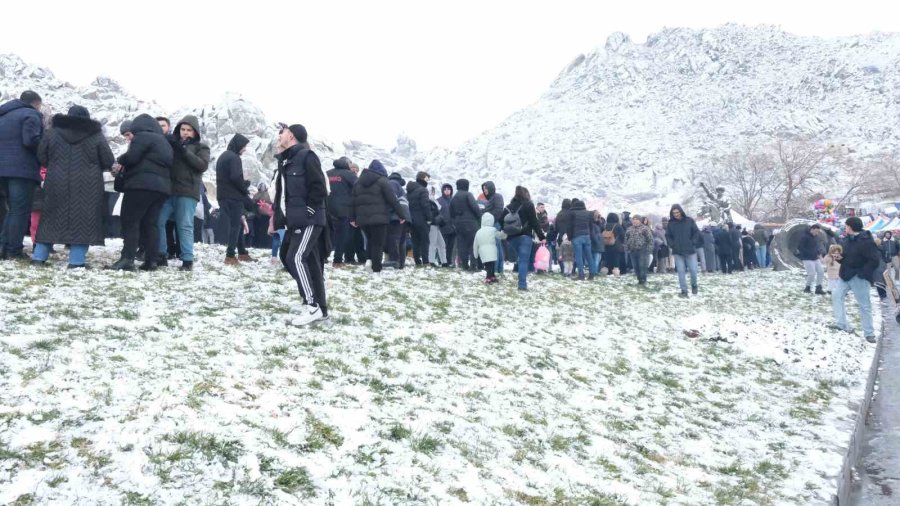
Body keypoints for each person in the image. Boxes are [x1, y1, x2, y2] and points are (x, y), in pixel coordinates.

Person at [29, 106, 114, 268]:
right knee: (84, 221)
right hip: (88, 185)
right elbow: (108, 160)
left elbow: (41, 155)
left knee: (49, 219)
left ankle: (39, 257)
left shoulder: (52, 133)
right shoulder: (96, 135)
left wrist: (55, 164)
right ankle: (76, 262)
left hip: (56, 181)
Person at [272, 123, 329, 325]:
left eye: (284, 132)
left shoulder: (306, 156)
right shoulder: (287, 161)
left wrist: (310, 210)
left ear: (293, 136)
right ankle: (312, 302)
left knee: (296, 257)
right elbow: (283, 195)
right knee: (291, 257)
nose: (280, 136)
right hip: (295, 221)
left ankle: (313, 307)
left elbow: (319, 187)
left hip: (309, 220)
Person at [108, 114, 173, 271]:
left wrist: (120, 160)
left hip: (140, 186)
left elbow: (132, 158)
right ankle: (151, 261)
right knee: (151, 224)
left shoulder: (142, 136)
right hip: (161, 189)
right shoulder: (164, 142)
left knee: (130, 221)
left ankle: (127, 259)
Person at [156, 115, 209, 271]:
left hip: (187, 191)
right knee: (159, 221)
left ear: (195, 132)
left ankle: (187, 260)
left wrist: (184, 151)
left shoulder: (201, 147)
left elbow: (202, 165)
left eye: (189, 130)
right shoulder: (172, 143)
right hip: (169, 190)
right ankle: (161, 255)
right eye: (182, 129)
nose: (185, 133)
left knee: (184, 225)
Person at [0, 90, 44, 260]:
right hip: (22, 170)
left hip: (2, 169)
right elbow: (30, 140)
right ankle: (14, 250)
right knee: (20, 210)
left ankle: (3, 246)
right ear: (36, 103)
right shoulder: (31, 114)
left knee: (10, 210)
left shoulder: (3, 115)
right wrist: (43, 152)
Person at [351, 159, 406, 274]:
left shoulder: (358, 182)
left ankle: (369, 262)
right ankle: (376, 269)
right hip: (379, 219)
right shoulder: (383, 181)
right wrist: (401, 215)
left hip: (363, 219)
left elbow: (353, 202)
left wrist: (352, 218)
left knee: (370, 241)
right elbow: (393, 200)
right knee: (378, 243)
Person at [831, 217, 880, 343]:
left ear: (851, 227)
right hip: (845, 275)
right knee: (836, 296)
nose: (845, 228)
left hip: (859, 277)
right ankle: (841, 324)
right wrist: (838, 258)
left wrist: (862, 273)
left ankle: (869, 333)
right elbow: (845, 258)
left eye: (846, 226)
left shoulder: (867, 241)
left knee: (864, 305)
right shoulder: (846, 240)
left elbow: (874, 261)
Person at [216, 133, 253, 265]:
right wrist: (244, 187)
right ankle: (230, 255)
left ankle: (242, 252)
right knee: (236, 225)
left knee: (236, 224)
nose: (244, 149)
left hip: (222, 196)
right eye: (243, 146)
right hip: (234, 197)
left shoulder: (223, 156)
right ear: (238, 145)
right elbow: (235, 177)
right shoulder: (235, 158)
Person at [500, 186, 546, 290]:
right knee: (523, 261)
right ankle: (522, 285)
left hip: (511, 239)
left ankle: (519, 276)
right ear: (526, 194)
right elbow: (534, 222)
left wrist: (507, 231)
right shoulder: (529, 205)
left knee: (518, 260)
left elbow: (500, 221)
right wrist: (541, 236)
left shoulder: (508, 207)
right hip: (525, 237)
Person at [326, 156, 357, 267]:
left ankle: (323, 257)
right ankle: (337, 260)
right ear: (347, 164)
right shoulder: (349, 175)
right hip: (343, 209)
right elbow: (358, 189)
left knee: (327, 235)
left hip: (327, 208)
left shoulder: (327, 173)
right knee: (341, 236)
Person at [665, 204, 701, 297]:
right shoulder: (671, 223)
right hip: (677, 251)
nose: (676, 214)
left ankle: (694, 285)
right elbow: (668, 235)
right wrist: (672, 244)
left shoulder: (689, 221)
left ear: (681, 211)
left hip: (690, 250)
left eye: (677, 212)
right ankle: (684, 291)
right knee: (681, 271)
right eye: (674, 213)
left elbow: (696, 232)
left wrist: (693, 242)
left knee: (693, 270)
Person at [450, 179, 481, 271]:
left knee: (462, 244)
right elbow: (475, 208)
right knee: (473, 244)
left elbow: (451, 212)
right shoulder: (468, 195)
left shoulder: (454, 197)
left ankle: (464, 264)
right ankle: (473, 265)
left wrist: (455, 222)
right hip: (471, 223)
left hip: (458, 224)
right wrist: (479, 217)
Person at [407, 171, 434, 266]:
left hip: (411, 219)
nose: (428, 180)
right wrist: (429, 218)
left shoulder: (410, 189)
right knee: (425, 241)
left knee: (415, 241)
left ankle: (417, 261)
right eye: (427, 178)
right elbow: (425, 205)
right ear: (423, 178)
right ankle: (426, 262)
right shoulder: (423, 190)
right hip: (422, 219)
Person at [567, 198, 596, 280]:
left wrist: (570, 237)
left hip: (577, 236)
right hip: (587, 236)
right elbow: (591, 226)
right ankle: (592, 274)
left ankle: (581, 275)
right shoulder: (588, 213)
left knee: (579, 256)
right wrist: (589, 234)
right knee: (589, 256)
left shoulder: (572, 213)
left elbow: (570, 227)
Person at [385, 172, 410, 269]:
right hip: (406, 217)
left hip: (397, 216)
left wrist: (392, 213)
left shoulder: (392, 183)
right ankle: (401, 264)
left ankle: (394, 261)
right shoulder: (401, 189)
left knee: (394, 238)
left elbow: (392, 199)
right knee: (402, 241)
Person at [473, 213, 506, 283]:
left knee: (488, 264)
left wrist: (475, 254)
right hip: (492, 250)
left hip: (482, 252)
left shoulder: (478, 232)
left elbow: (475, 244)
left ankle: (492, 276)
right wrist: (504, 233)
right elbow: (500, 236)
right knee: (492, 264)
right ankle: (488, 277)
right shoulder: (493, 230)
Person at [481, 181, 504, 273]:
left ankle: (495, 268)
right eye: (483, 189)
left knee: (495, 246)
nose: (485, 190)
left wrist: (488, 217)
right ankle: (499, 269)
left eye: (486, 188)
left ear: (491, 188)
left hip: (494, 224)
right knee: (497, 246)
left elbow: (498, 211)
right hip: (492, 224)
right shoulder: (491, 199)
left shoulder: (497, 196)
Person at [625, 214, 653, 285]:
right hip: (632, 251)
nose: (635, 221)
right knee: (636, 266)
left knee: (642, 266)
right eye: (633, 219)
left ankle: (643, 280)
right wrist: (627, 248)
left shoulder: (645, 229)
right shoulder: (629, 229)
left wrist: (649, 250)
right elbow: (626, 239)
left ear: (640, 221)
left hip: (643, 251)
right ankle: (639, 279)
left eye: (636, 219)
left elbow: (650, 240)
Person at [798, 224, 825, 294]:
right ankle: (807, 287)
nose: (817, 233)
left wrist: (819, 253)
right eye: (816, 231)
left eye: (818, 231)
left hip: (815, 258)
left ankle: (818, 288)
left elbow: (817, 246)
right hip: (807, 258)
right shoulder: (804, 236)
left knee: (821, 272)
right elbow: (800, 247)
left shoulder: (816, 237)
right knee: (812, 273)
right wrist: (810, 253)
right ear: (812, 229)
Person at [427, 185, 447, 267]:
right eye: (432, 191)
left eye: (434, 191)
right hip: (432, 224)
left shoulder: (434, 201)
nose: (433, 193)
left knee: (441, 244)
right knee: (433, 243)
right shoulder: (429, 201)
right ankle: (431, 261)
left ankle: (444, 262)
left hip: (436, 225)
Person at [437, 183, 455, 267]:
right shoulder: (439, 200)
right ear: (442, 191)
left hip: (453, 227)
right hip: (443, 227)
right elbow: (436, 213)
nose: (447, 191)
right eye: (445, 189)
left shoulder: (454, 200)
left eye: (449, 189)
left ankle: (449, 261)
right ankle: (442, 261)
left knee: (451, 246)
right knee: (442, 245)